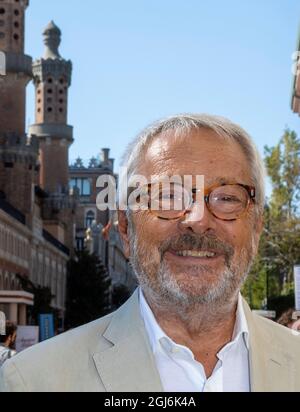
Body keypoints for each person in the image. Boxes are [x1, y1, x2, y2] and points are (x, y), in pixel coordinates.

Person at [0, 114, 300, 392]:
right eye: (168, 196)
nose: (197, 220)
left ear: (257, 230)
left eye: (226, 198)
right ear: (127, 231)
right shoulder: (33, 381)